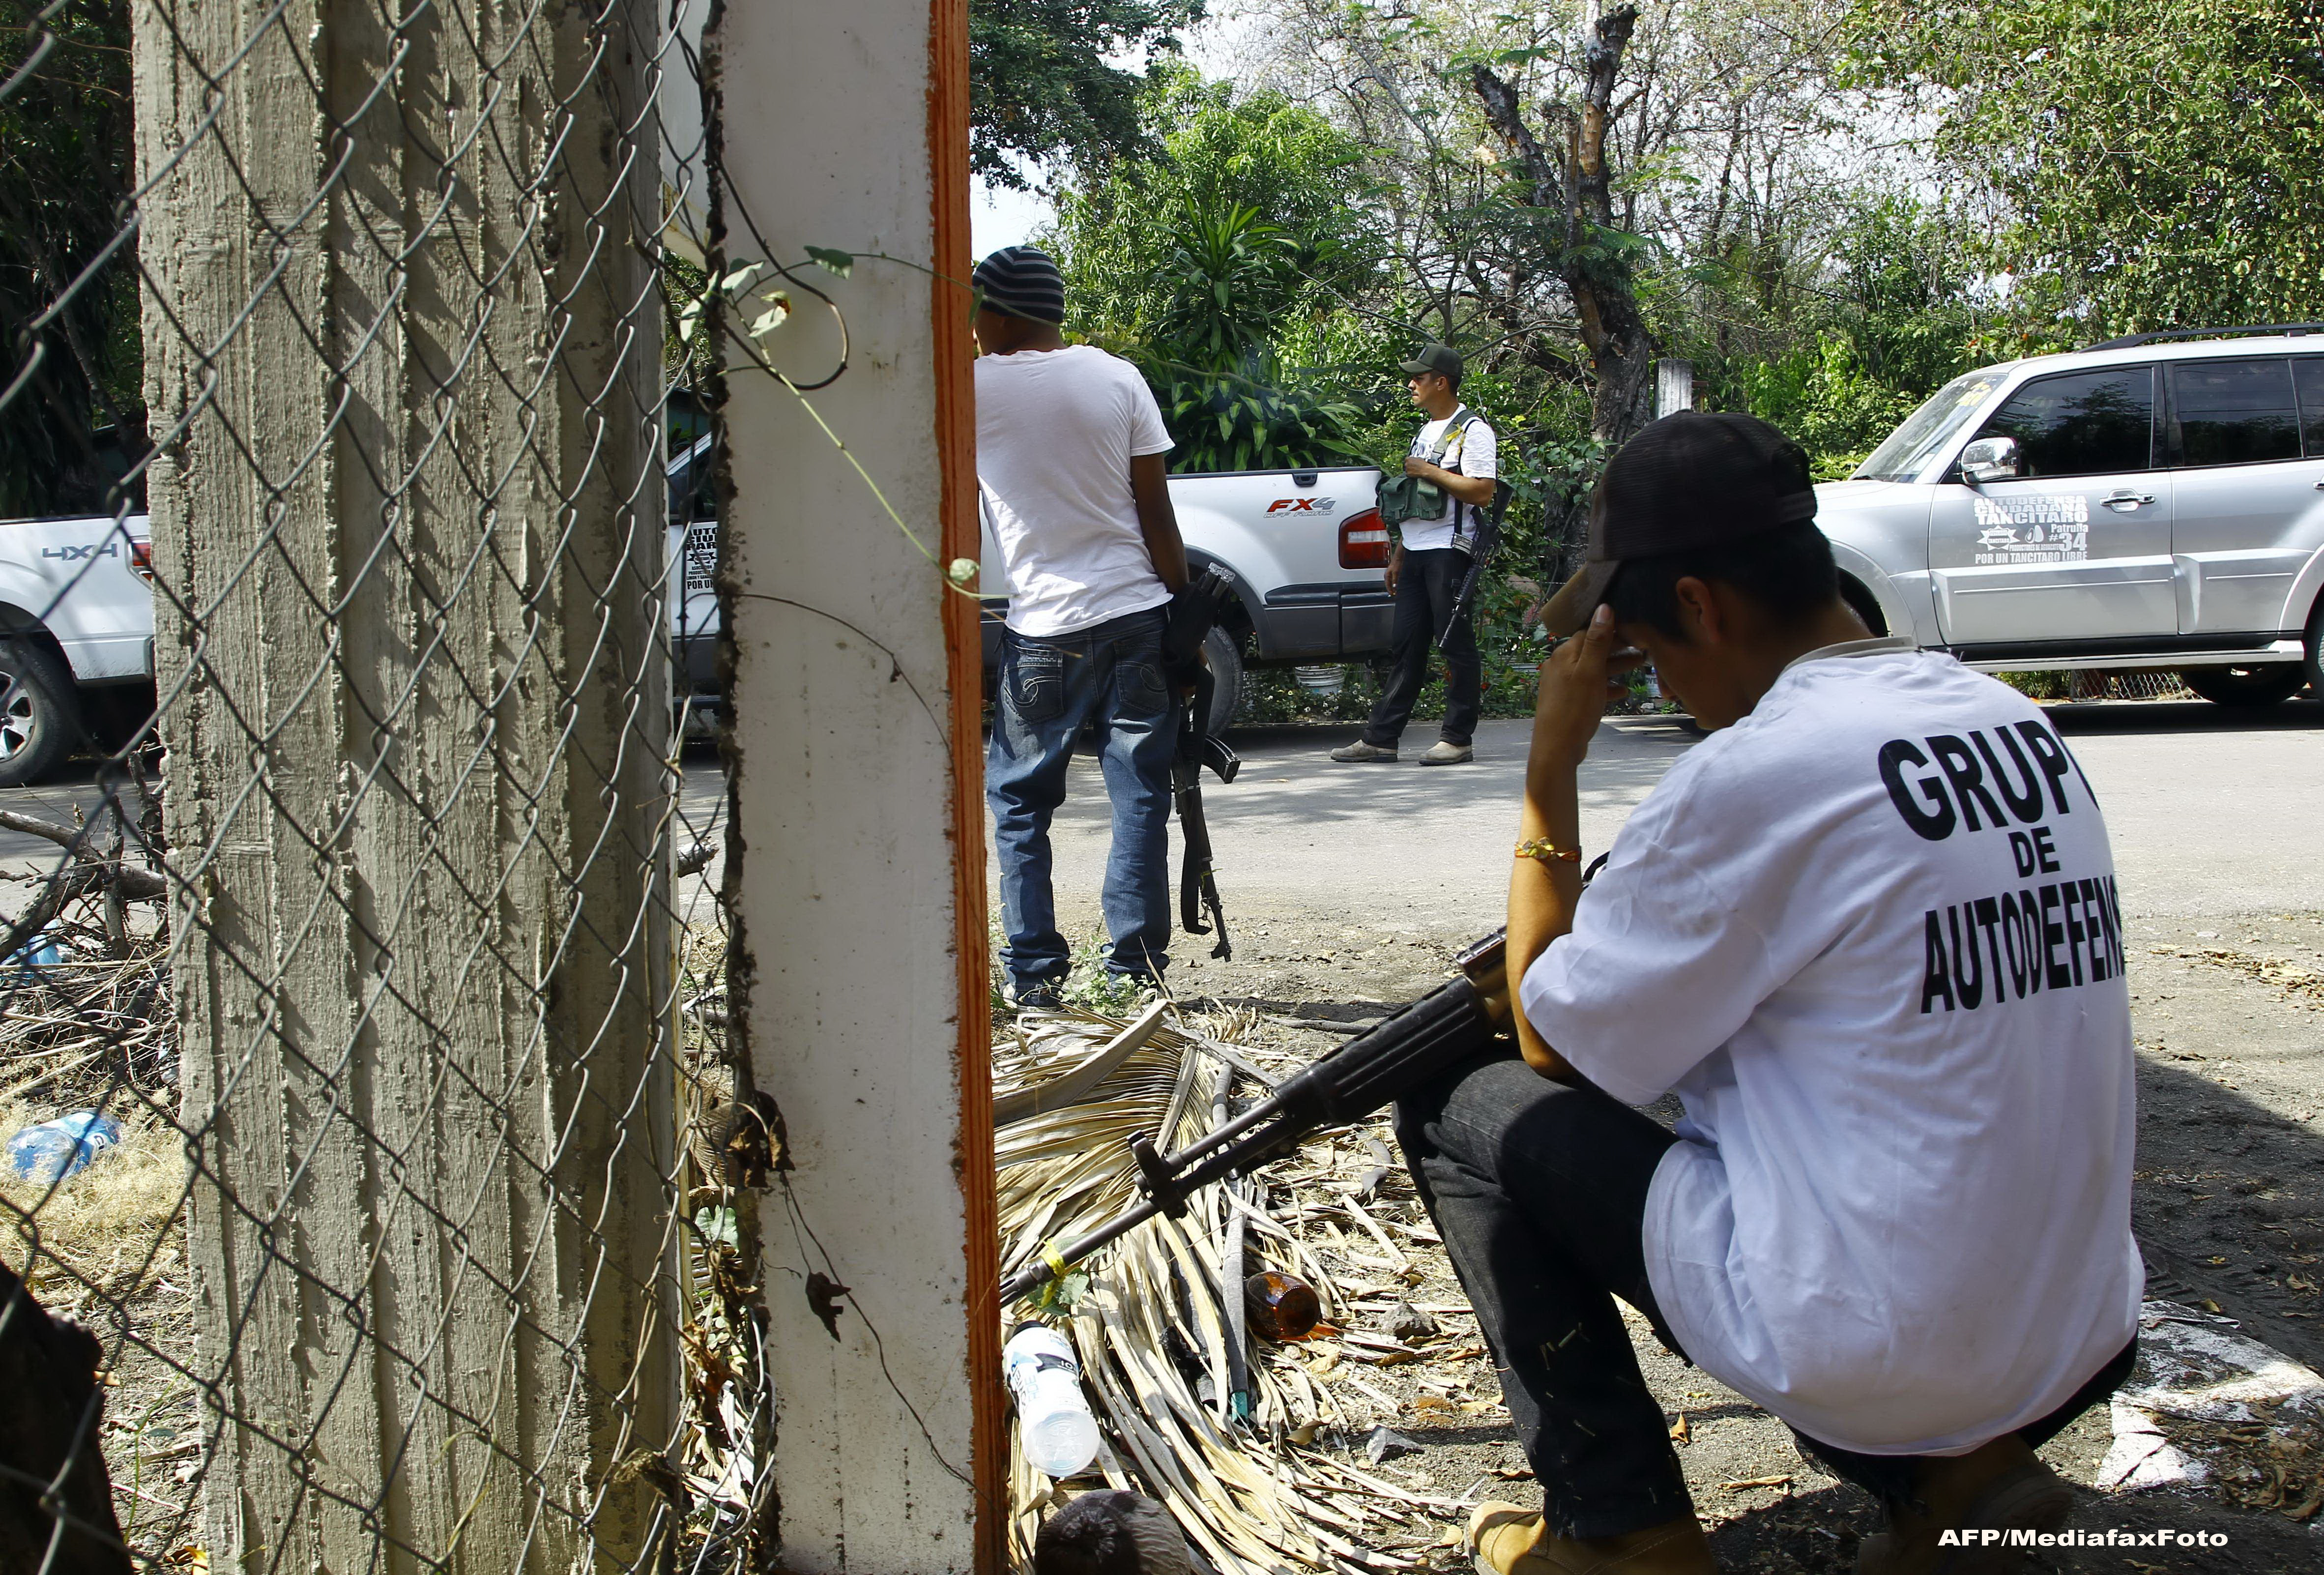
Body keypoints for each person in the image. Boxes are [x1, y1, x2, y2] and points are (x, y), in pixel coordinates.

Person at [1395, 411, 2142, 1575]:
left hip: (1884, 1348)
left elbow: (1552, 1037)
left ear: (1702, 606)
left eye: (1642, 655)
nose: (1661, 690)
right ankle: (1958, 1477)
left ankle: (1618, 1528)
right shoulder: (2010, 723)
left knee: (1453, 1095)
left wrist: (1549, 774)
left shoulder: (1756, 772)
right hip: (2076, 1327)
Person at [975, 246, 1189, 1009]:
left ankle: (1034, 976)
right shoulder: (1116, 376)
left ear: (996, 313)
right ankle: (1135, 976)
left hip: (1044, 630)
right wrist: (1182, 613)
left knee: (1022, 805)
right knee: (1139, 794)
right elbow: (1155, 510)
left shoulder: (969, 390)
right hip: (1137, 614)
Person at [1331, 342, 1498, 766]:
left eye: (1419, 378)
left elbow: (1482, 491)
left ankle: (1458, 739)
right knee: (1406, 646)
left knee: (1454, 645)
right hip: (1419, 551)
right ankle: (1382, 739)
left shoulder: (1473, 430)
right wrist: (1400, 554)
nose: (1411, 384)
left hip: (1450, 552)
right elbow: (1418, 502)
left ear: (1441, 382)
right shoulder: (1426, 431)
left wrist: (1430, 470)